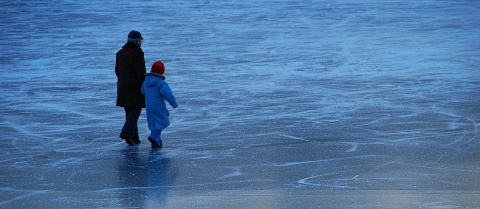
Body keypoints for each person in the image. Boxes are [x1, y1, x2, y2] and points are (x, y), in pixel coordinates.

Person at [115, 30, 146, 145]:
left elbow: (117, 70)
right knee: (136, 109)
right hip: (135, 87)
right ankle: (126, 133)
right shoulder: (137, 53)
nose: (141, 42)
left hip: (122, 86)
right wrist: (144, 85)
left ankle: (134, 138)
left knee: (129, 111)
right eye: (140, 40)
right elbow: (141, 72)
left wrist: (123, 80)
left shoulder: (120, 53)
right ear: (137, 41)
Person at [141, 60, 178, 148]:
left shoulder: (146, 82)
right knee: (164, 121)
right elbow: (168, 94)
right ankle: (154, 136)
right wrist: (174, 104)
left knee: (153, 122)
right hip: (158, 105)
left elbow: (142, 91)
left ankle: (157, 141)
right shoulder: (161, 83)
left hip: (149, 106)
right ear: (162, 72)